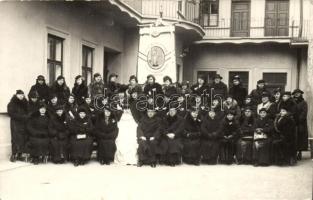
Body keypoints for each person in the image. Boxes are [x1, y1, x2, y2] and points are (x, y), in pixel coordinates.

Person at [7, 90, 29, 162]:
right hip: (15, 123)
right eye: (19, 95)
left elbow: (28, 111)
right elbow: (11, 113)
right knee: (15, 138)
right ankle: (14, 154)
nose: (21, 96)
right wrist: (21, 117)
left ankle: (20, 154)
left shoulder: (25, 102)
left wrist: (26, 117)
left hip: (23, 123)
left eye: (22, 95)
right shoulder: (12, 103)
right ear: (16, 95)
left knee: (23, 138)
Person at [292, 89, 308, 160]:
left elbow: (304, 113)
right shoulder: (292, 101)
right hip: (292, 123)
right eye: (295, 93)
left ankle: (299, 152)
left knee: (300, 137)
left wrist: (298, 120)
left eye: (298, 93)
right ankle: (294, 153)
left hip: (300, 123)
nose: (296, 94)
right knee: (294, 137)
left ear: (301, 94)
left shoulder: (303, 102)